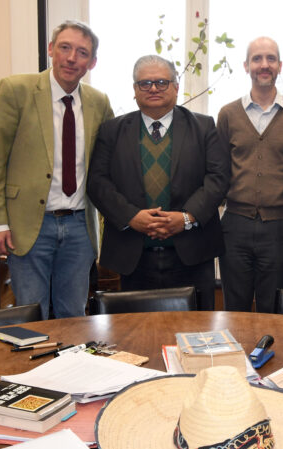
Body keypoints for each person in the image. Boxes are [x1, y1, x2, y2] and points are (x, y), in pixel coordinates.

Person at [0, 20, 113, 319]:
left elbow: (109, 160)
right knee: (31, 313)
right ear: (51, 49)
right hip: (28, 225)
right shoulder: (16, 90)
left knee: (73, 313)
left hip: (80, 225)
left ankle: (72, 366)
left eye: (81, 52)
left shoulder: (98, 102)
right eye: (65, 48)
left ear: (91, 62)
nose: (71, 58)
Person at [87, 55, 230, 310]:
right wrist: (131, 217)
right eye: (145, 83)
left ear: (175, 87)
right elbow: (98, 183)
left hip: (192, 254)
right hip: (133, 255)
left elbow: (218, 179)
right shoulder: (112, 131)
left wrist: (186, 218)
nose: (153, 88)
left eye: (162, 82)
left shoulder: (203, 126)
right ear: (134, 90)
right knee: (137, 335)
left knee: (195, 334)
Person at [217, 37, 283, 312]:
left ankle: (271, 356)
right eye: (257, 59)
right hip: (235, 225)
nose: (264, 65)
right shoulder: (227, 114)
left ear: (280, 66)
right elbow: (219, 170)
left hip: (281, 227)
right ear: (246, 66)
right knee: (235, 307)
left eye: (271, 58)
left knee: (275, 308)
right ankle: (237, 357)